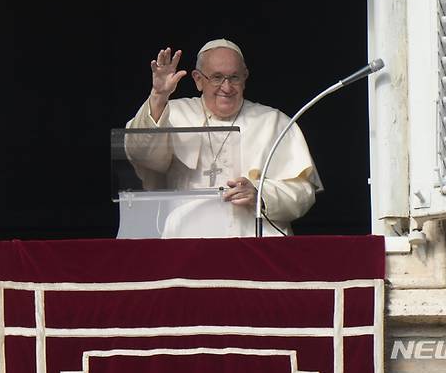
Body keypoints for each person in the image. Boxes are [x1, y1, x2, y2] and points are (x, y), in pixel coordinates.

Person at [125, 38, 322, 237]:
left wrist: (260, 195)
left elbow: (302, 193)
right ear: (198, 79)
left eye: (234, 77)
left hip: (256, 244)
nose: (226, 87)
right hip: (186, 240)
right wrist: (158, 96)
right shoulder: (172, 114)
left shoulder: (274, 122)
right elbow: (140, 154)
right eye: (217, 77)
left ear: (245, 77)